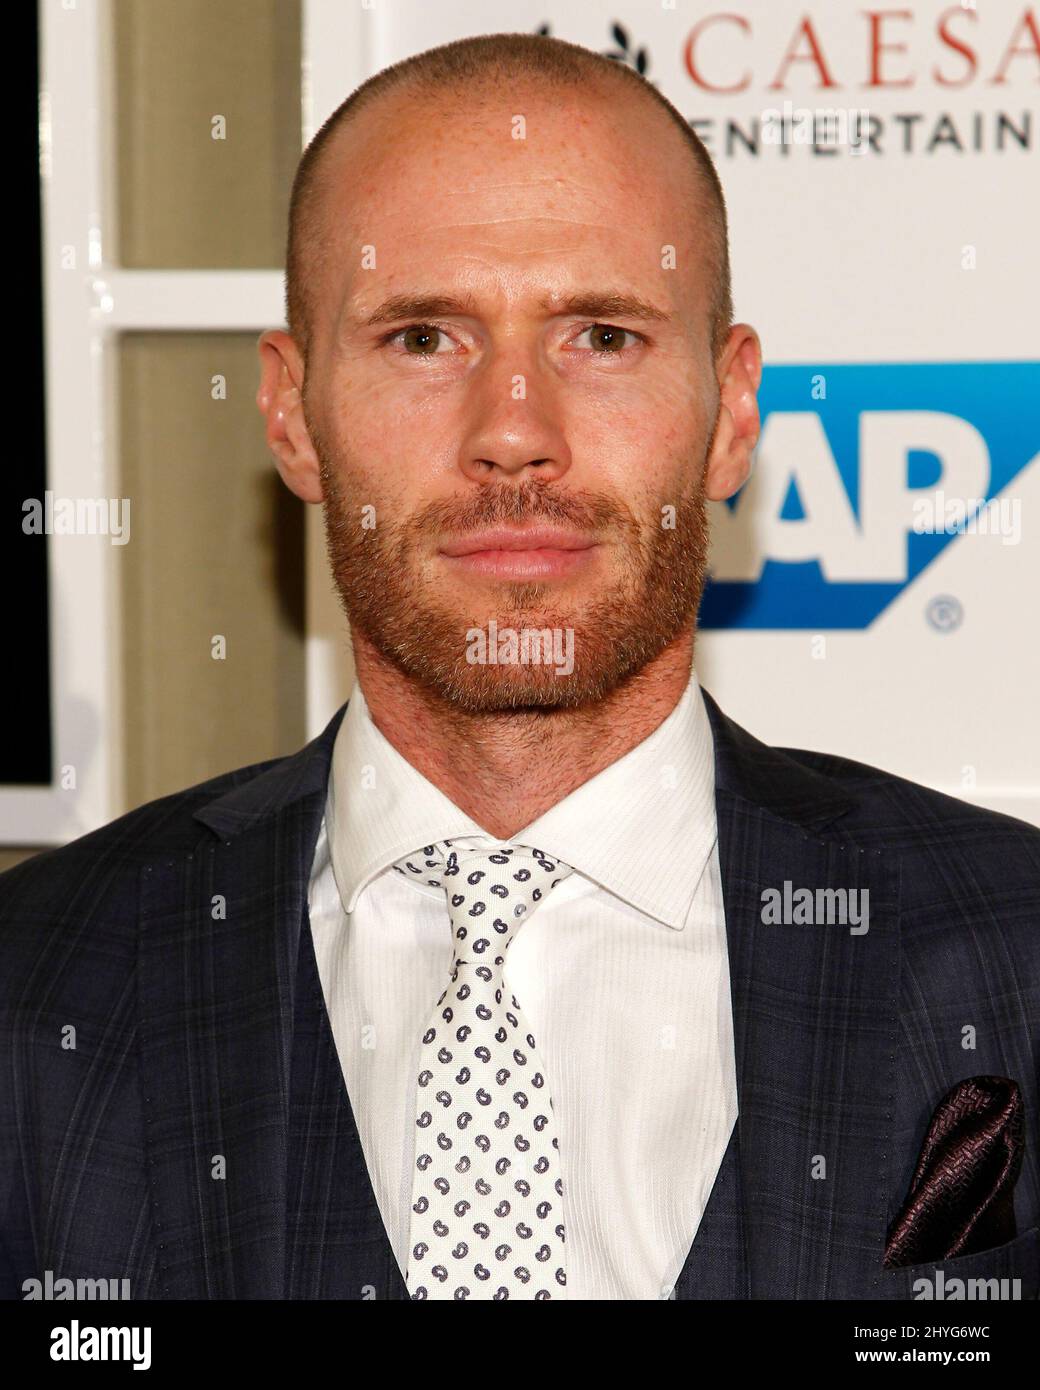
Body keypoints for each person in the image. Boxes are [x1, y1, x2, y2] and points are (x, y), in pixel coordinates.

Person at [2, 32, 1037, 1302]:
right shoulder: (35, 984)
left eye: (600, 335)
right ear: (291, 414)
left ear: (730, 412)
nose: (511, 432)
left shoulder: (1012, 945)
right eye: (422, 337)